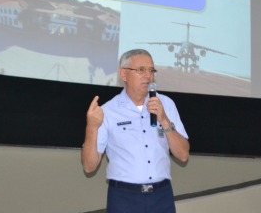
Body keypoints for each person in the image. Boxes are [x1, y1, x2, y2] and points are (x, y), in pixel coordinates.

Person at [81, 49, 190, 213]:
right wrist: (91, 128)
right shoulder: (108, 111)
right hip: (124, 198)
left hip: (162, 196)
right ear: (123, 74)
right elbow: (89, 166)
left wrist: (164, 120)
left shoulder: (166, 105)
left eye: (151, 70)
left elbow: (183, 155)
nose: (148, 75)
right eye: (141, 70)